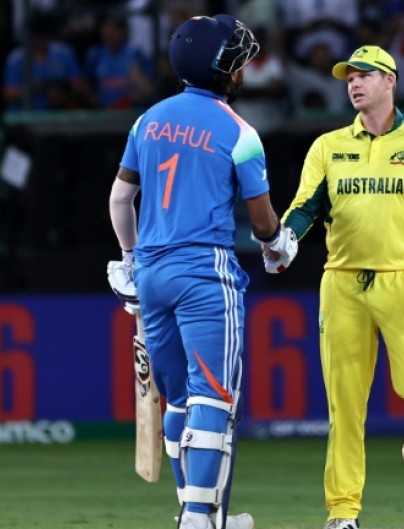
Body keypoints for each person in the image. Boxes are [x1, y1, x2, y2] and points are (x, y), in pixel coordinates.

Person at [106, 15, 297, 529]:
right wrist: (280, 245)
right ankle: (198, 516)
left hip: (151, 272)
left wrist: (130, 259)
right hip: (205, 274)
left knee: (179, 399)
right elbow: (260, 222)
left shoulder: (147, 120)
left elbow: (121, 197)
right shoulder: (239, 131)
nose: (243, 70)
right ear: (224, 70)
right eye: (238, 61)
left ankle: (201, 511)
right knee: (214, 398)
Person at [277, 45, 404, 529]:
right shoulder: (328, 145)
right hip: (341, 282)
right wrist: (284, 239)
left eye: (365, 75)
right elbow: (305, 207)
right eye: (349, 78)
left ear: (391, 81)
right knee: (344, 403)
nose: (354, 84)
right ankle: (343, 513)